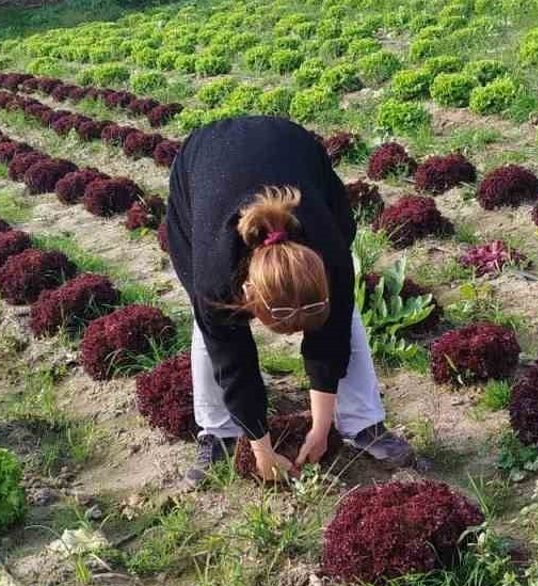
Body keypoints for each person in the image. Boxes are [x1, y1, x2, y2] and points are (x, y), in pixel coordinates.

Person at [164, 115, 413, 483]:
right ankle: (218, 432)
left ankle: (363, 423)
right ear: (248, 294)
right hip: (203, 163)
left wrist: (321, 427)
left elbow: (332, 337)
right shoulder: (216, 274)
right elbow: (234, 364)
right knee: (213, 325)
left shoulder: (330, 254)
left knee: (343, 318)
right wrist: (261, 449)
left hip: (292, 148)